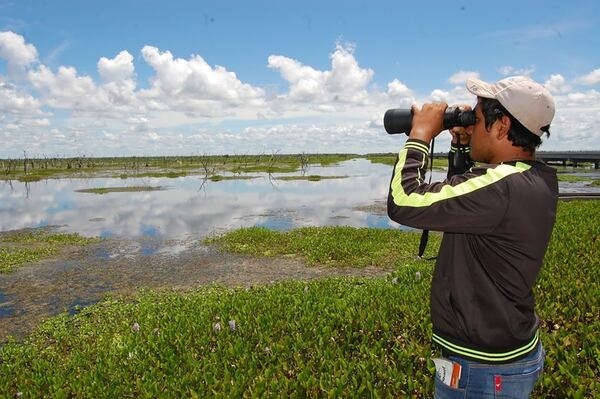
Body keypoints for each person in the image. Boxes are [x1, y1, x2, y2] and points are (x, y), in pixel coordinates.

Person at [387, 75, 557, 398]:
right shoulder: (533, 178)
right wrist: (461, 145)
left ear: (502, 126)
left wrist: (419, 135)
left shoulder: (500, 187)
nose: (472, 125)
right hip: (507, 355)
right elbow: (464, 203)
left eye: (476, 120)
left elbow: (404, 200)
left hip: (482, 370)